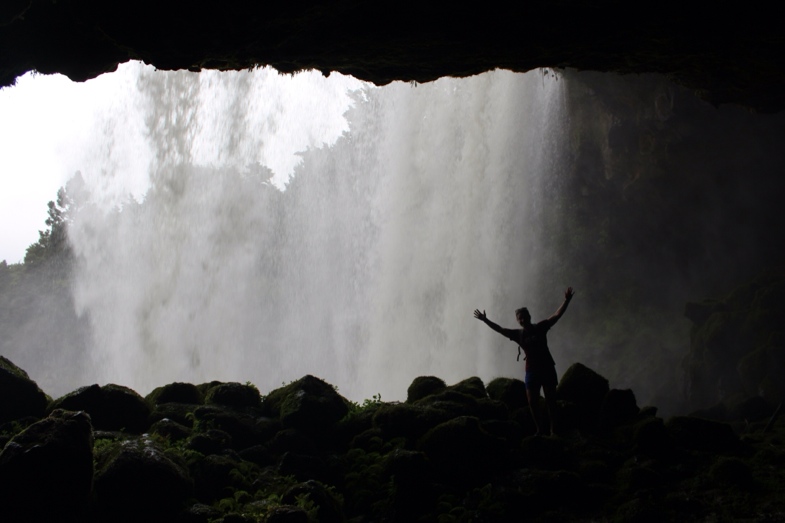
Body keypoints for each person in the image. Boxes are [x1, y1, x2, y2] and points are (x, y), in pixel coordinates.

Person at [474, 287, 575, 436]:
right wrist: (485, 320)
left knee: (551, 401)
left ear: (529, 316)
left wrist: (566, 300)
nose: (522, 320)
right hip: (532, 370)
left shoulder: (540, 327)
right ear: (518, 320)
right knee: (532, 402)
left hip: (547, 367)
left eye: (524, 317)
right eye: (519, 318)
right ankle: (540, 430)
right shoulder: (518, 334)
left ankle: (554, 430)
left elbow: (557, 315)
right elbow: (500, 329)